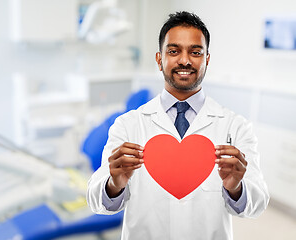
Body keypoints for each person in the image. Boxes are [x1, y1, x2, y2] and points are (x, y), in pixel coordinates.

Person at [87, 11, 269, 240]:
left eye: (195, 52)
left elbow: (258, 202)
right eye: (174, 51)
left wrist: (236, 188)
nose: (184, 60)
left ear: (207, 59)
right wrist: (114, 184)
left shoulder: (235, 126)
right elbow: (96, 200)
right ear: (159, 59)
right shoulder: (128, 125)